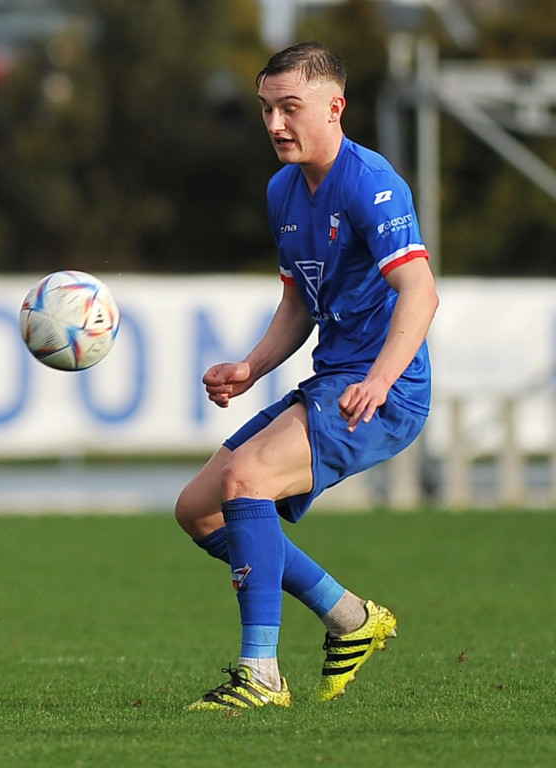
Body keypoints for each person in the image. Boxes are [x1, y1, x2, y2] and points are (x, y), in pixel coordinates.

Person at [174, 41, 439, 712]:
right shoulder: (283, 189)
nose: (274, 125)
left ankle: (260, 674)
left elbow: (420, 292)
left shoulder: (371, 182)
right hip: (334, 381)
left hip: (385, 393)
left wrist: (380, 380)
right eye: (266, 110)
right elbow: (299, 300)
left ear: (335, 106)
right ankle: (350, 617)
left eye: (289, 108)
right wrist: (250, 366)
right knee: (199, 509)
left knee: (246, 481)